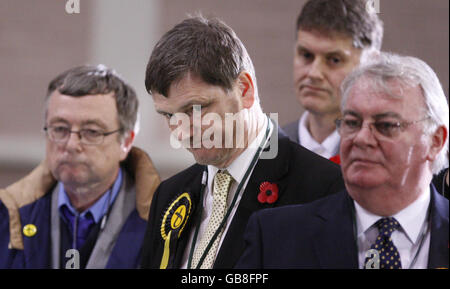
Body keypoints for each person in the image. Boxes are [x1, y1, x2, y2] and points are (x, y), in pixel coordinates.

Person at [139, 16, 345, 269]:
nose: (181, 133)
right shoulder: (168, 195)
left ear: (245, 89)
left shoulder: (325, 189)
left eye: (196, 109)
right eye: (169, 115)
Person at [237, 53, 449, 269]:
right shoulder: (276, 236)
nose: (362, 138)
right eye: (352, 122)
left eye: (386, 125)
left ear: (435, 141)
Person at [0, 65, 160, 269]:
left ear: (126, 142)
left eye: (91, 132)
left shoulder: (166, 225)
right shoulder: (8, 215)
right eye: (60, 128)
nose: (71, 145)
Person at [283, 0, 383, 160]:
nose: (314, 73)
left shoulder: (384, 155)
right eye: (306, 55)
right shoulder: (268, 152)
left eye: (334, 60)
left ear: (371, 65)